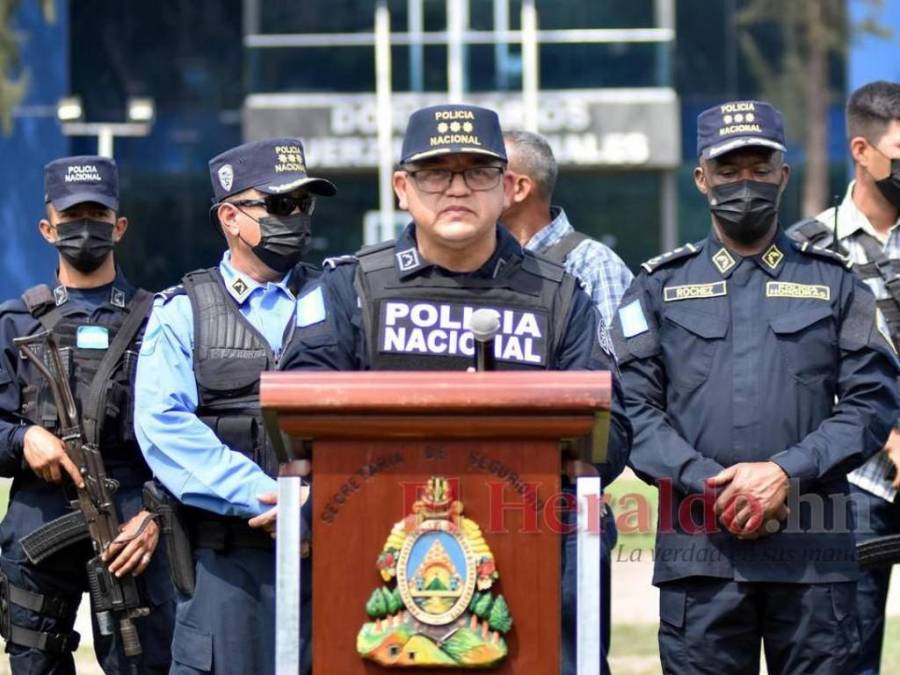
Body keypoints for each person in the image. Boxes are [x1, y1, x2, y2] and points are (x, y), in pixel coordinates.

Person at [280, 104, 631, 675]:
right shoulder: (351, 289)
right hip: (374, 562)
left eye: (477, 172)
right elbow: (295, 416)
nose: (456, 189)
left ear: (506, 187)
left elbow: (610, 435)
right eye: (436, 173)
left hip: (534, 560)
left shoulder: (561, 298)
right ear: (402, 187)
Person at [612, 100, 900, 673]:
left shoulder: (834, 282)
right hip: (701, 557)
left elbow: (872, 403)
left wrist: (786, 472)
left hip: (814, 560)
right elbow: (633, 413)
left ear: (783, 175)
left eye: (760, 168)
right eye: (729, 169)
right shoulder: (657, 287)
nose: (746, 183)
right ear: (701, 178)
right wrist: (709, 484)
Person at [133, 138, 335, 674]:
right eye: (278, 205)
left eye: (303, 205)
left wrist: (320, 502)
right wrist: (264, 497)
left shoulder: (341, 298)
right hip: (227, 564)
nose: (295, 218)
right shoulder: (182, 312)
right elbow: (163, 426)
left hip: (333, 551)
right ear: (230, 216)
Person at [0, 156, 175, 673]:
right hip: (40, 523)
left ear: (119, 227)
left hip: (131, 521)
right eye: (72, 217)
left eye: (97, 215)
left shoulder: (158, 319)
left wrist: (154, 513)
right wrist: (23, 438)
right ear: (47, 228)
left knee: (143, 661)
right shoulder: (15, 323)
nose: (85, 228)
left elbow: (186, 428)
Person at [500, 128, 632, 675]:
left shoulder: (591, 265)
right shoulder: (484, 265)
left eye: (484, 173)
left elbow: (616, 395)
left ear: (515, 186)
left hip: (563, 508)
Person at [787, 80, 900, 674]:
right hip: (854, 481)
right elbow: (803, 371)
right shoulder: (809, 251)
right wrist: (887, 434)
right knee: (844, 652)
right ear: (862, 150)